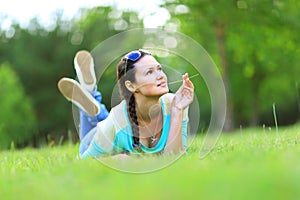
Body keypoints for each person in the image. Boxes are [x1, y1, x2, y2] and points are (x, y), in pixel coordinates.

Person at [58, 49, 194, 159]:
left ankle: (91, 95)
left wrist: (177, 110)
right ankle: (91, 95)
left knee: (113, 120)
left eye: (159, 69)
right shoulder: (114, 123)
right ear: (131, 86)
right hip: (95, 138)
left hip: (117, 124)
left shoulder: (175, 103)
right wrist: (118, 159)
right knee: (108, 122)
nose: (160, 76)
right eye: (149, 72)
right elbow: (84, 163)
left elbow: (175, 157)